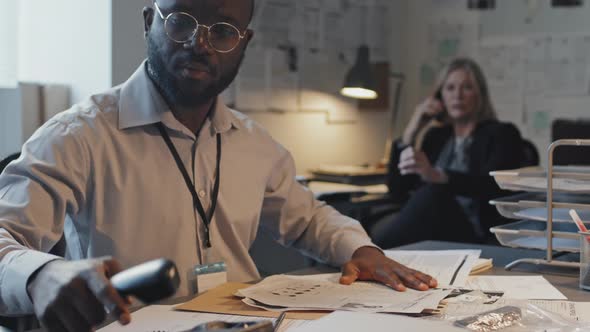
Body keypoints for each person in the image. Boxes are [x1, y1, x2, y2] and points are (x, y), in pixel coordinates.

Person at [0, 1, 436, 331]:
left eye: (223, 31)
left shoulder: (253, 142)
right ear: (149, 21)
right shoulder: (80, 135)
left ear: (243, 42)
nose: (200, 43)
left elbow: (308, 218)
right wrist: (41, 273)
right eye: (182, 21)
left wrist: (359, 250)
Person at [371, 57, 523, 249]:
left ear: (480, 94)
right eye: (450, 88)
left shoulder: (502, 133)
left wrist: (437, 176)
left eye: (467, 87)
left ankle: (374, 254)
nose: (457, 96)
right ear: (440, 96)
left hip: (474, 229)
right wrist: (412, 130)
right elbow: (397, 189)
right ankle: (372, 254)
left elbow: (494, 187)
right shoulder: (437, 136)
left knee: (432, 193)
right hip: (431, 223)